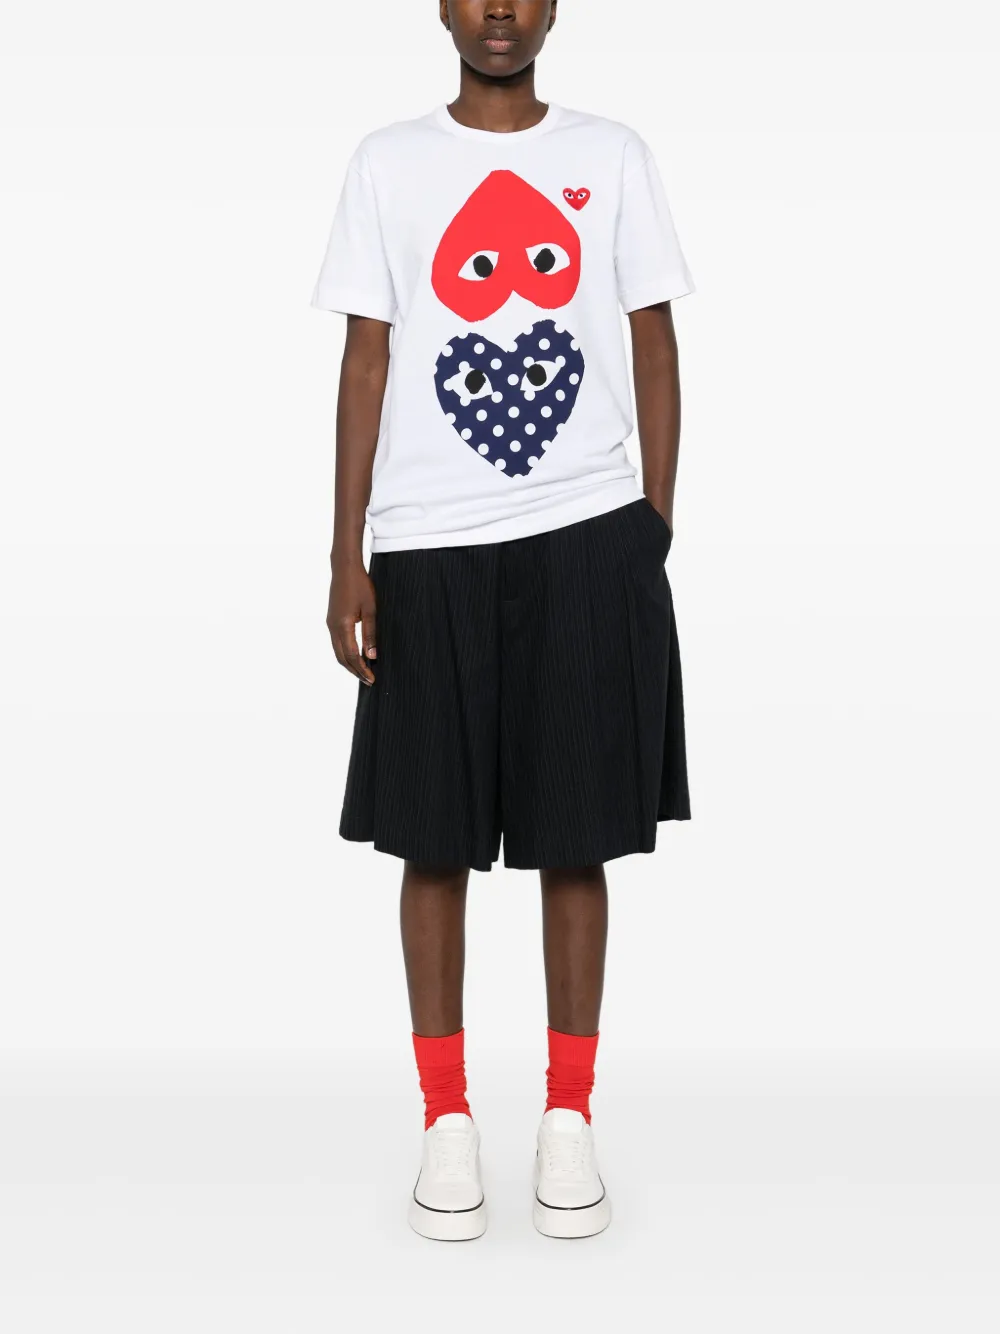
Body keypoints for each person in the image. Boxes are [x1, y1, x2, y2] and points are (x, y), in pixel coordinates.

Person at [311, 0, 693, 1241]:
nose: (499, 10)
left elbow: (652, 340)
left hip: (586, 533)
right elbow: (367, 358)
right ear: (439, 4)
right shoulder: (389, 162)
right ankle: (446, 1120)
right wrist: (348, 553)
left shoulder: (610, 155)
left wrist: (649, 526)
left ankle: (567, 1115)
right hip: (426, 545)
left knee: (577, 836)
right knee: (431, 838)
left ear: (554, 7)